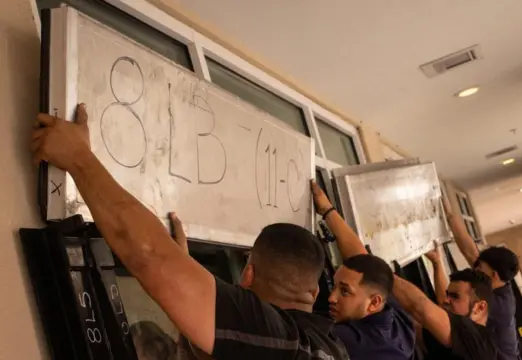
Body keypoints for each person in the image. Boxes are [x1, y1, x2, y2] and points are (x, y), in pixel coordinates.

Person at [31, 104, 349, 360]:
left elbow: (149, 254)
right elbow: (221, 345)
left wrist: (79, 158)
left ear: (247, 275)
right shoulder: (331, 348)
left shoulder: (277, 338)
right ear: (314, 293)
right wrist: (185, 273)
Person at [311, 182, 415, 360]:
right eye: (334, 286)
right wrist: (328, 211)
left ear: (373, 303)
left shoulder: (353, 342)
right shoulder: (396, 320)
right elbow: (362, 260)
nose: (331, 298)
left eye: (344, 291)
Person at [443, 197, 519, 360]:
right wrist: (450, 215)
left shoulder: (499, 305)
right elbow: (471, 253)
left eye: (479, 268)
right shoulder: (494, 279)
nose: (475, 269)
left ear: (494, 275)